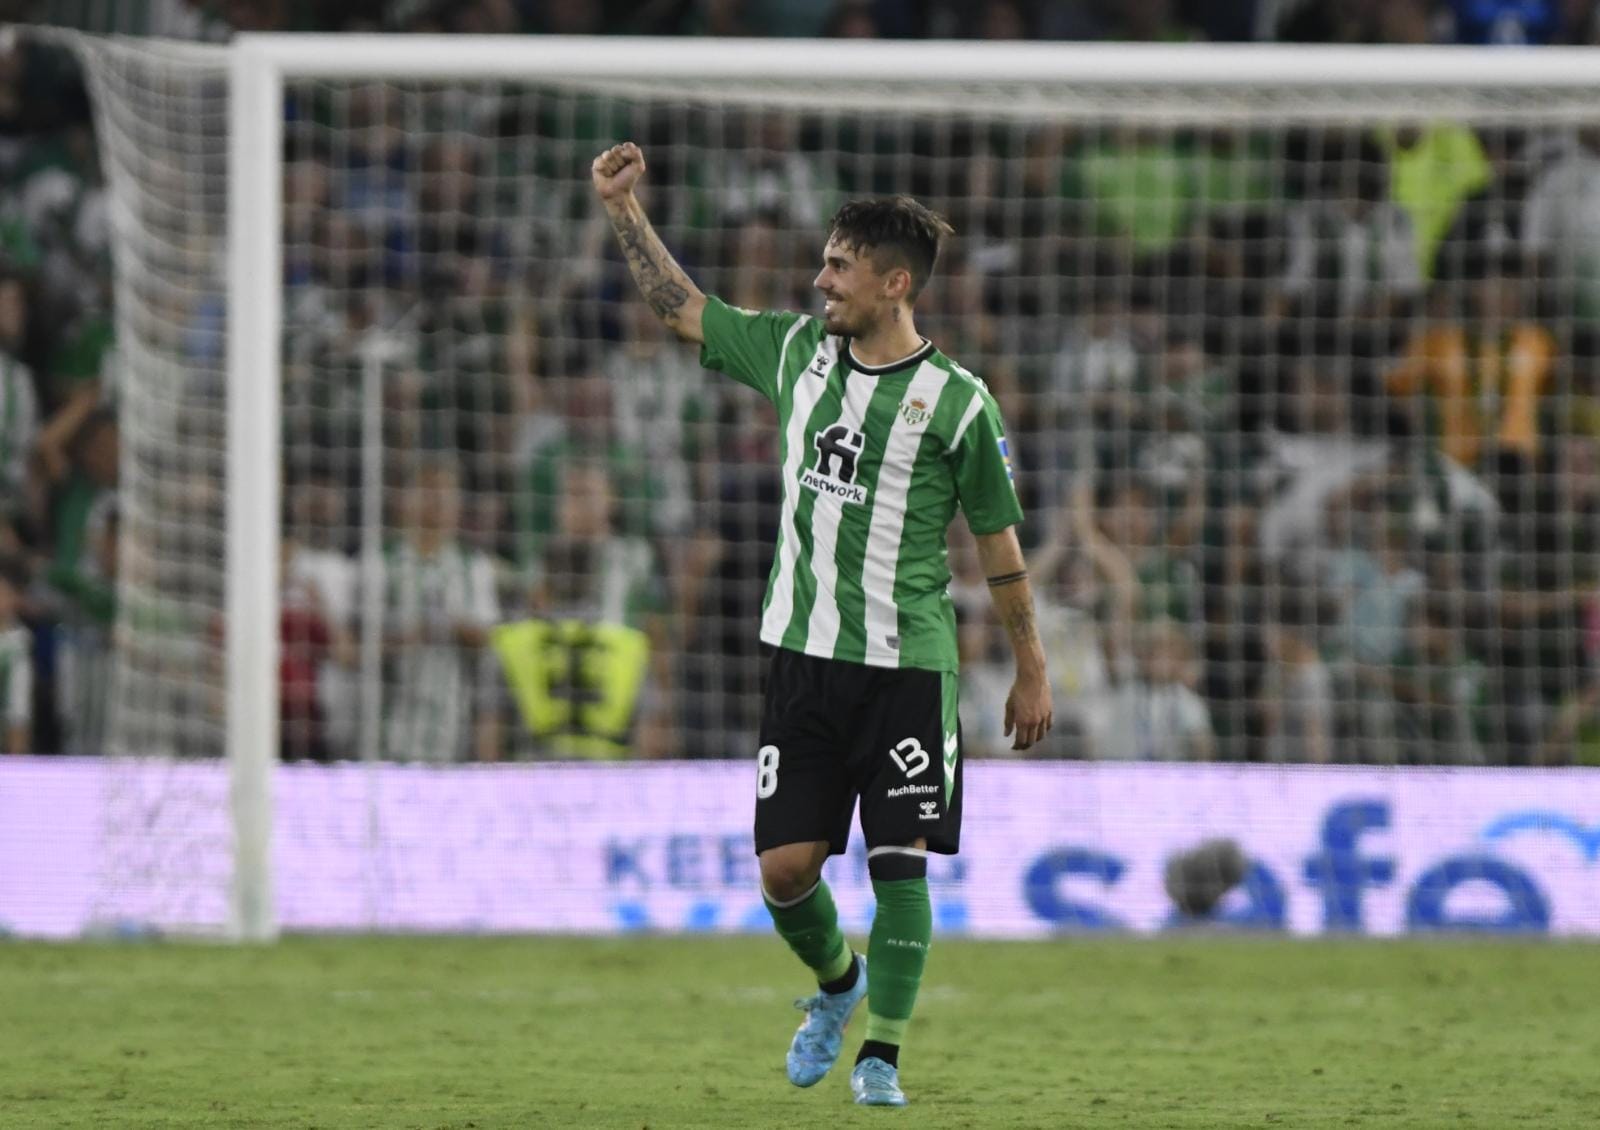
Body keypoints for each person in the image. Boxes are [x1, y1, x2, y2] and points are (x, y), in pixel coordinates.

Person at [592, 142, 1052, 1108]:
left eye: (839, 266)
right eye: (823, 262)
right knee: (785, 868)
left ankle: (881, 1056)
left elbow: (999, 548)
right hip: (800, 661)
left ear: (895, 284)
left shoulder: (958, 405)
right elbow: (683, 308)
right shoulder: (796, 353)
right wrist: (623, 211)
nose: (820, 279)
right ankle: (839, 989)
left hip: (906, 668)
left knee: (899, 865)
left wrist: (1030, 668)